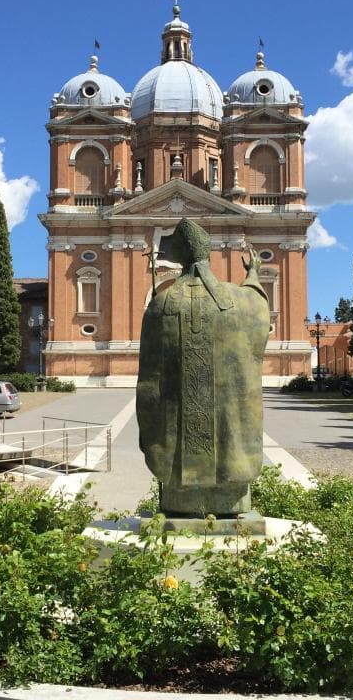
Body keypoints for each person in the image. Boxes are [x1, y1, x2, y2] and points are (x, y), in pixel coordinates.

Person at [136, 219, 269, 517]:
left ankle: (183, 499)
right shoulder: (239, 300)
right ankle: (229, 500)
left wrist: (150, 429)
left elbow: (150, 380)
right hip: (230, 442)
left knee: (179, 489)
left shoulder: (161, 305)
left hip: (177, 462)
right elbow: (259, 306)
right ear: (207, 252)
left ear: (177, 255)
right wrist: (253, 274)